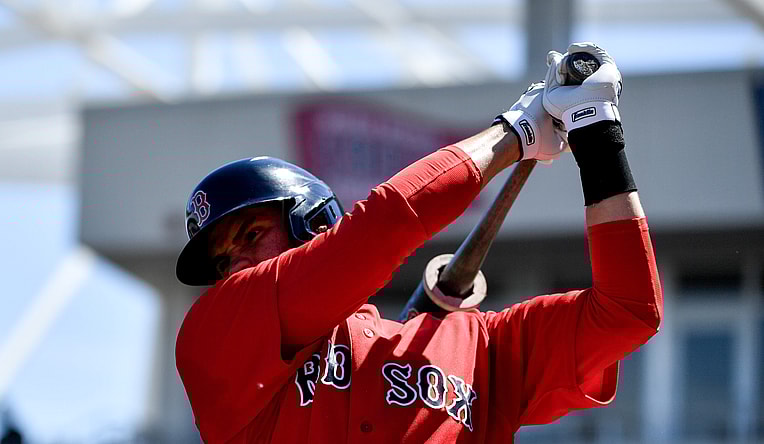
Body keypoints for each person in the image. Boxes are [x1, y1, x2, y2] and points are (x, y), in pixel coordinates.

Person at [174, 42, 663, 443]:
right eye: (220, 264)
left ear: (314, 224)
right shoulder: (212, 335)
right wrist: (516, 133)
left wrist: (598, 137)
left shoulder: (477, 346)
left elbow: (628, 311)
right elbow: (384, 227)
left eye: (252, 235)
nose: (235, 265)